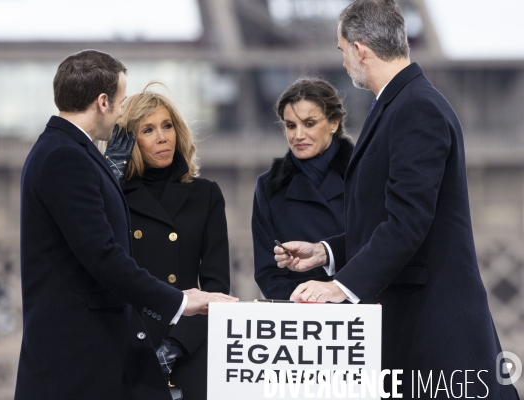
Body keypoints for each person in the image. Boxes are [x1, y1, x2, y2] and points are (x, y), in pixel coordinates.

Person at [274, 1, 520, 398]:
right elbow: (387, 218)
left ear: (359, 50)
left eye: (341, 51)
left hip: (434, 334)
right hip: (419, 329)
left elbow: (408, 222)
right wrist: (326, 252)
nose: (342, 63)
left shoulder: (415, 108)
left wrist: (341, 287)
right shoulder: (401, 104)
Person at [15, 50, 236, 400]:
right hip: (78, 359)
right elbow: (103, 256)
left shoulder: (67, 151)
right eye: (119, 102)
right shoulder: (65, 157)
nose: (121, 112)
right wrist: (179, 300)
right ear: (103, 101)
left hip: (94, 357)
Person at [103, 83, 230, 400]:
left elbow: (216, 288)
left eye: (167, 125)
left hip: (187, 348)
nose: (162, 137)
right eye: (148, 129)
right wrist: (107, 177)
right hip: (129, 347)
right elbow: (97, 259)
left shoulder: (206, 195)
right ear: (130, 140)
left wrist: (175, 346)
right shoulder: (114, 197)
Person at [252, 77, 353, 300]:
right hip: (300, 318)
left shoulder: (365, 177)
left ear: (334, 123)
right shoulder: (268, 187)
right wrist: (303, 305)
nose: (298, 135)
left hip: (360, 311)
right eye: (290, 125)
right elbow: (267, 272)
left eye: (309, 124)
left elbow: (380, 245)